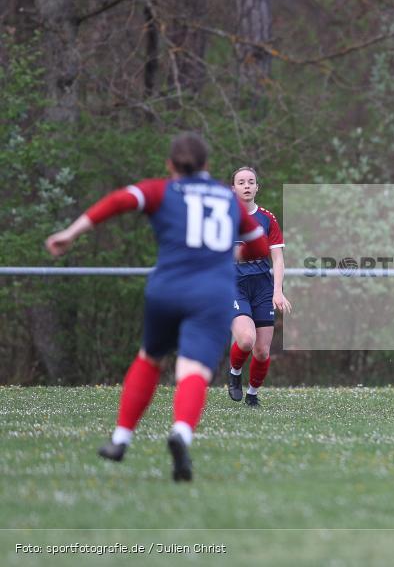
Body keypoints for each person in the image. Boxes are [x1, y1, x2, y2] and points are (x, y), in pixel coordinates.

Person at [45, 133, 269, 481]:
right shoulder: (229, 199)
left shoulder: (161, 190)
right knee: (193, 369)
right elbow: (258, 246)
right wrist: (232, 252)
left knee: (150, 357)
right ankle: (181, 431)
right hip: (211, 294)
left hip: (167, 288)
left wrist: (71, 233)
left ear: (170, 165)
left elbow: (119, 200)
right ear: (207, 166)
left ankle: (121, 437)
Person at [226, 166, 291, 407]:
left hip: (262, 287)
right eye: (241, 182)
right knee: (246, 340)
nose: (246, 186)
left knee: (262, 351)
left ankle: (252, 393)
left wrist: (277, 290)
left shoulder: (267, 218)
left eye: (250, 181)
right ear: (233, 188)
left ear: (257, 187)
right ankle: (234, 373)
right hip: (234, 285)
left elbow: (278, 258)